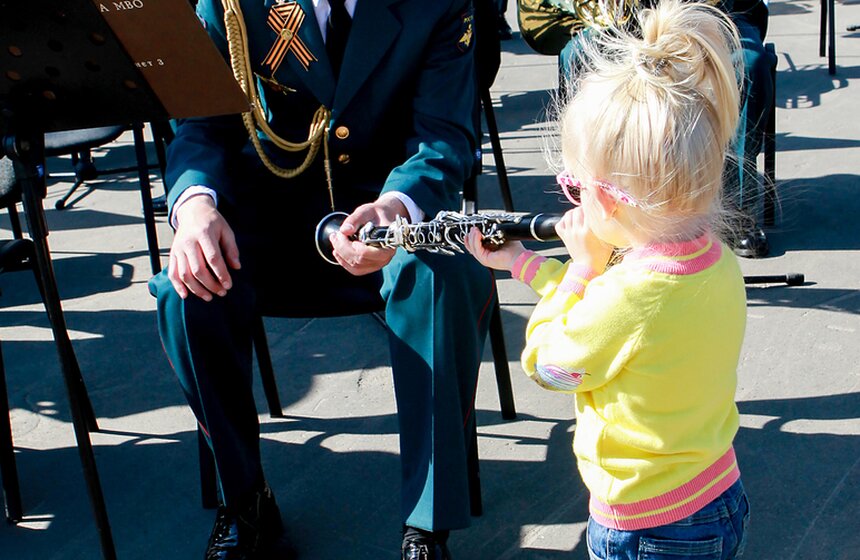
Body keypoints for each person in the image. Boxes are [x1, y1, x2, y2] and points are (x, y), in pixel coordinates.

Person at [148, 1, 496, 559]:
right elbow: (200, 126)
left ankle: (427, 527)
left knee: (442, 274)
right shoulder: (232, 5)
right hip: (271, 228)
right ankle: (246, 504)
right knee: (184, 288)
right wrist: (193, 206)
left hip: (385, 223)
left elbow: (444, 135)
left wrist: (398, 209)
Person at [464, 1, 750, 557]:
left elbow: (548, 364)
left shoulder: (627, 291)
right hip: (715, 492)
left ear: (603, 200)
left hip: (649, 522)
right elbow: (608, 313)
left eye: (573, 188)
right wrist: (526, 264)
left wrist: (582, 267)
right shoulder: (710, 260)